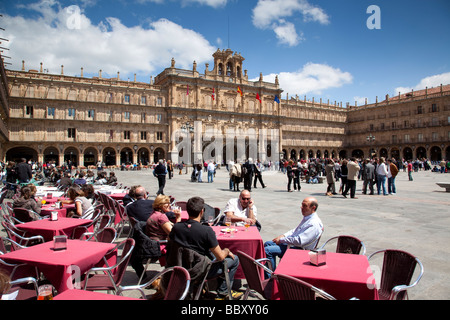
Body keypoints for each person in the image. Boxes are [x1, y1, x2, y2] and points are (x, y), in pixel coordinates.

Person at [168, 196, 242, 300]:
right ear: (202, 211)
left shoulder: (177, 228)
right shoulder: (206, 231)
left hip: (180, 266)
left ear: (187, 211)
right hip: (200, 270)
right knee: (235, 259)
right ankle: (222, 292)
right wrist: (227, 250)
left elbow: (169, 241)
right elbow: (220, 257)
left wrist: (178, 220)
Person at [263, 197, 323, 277]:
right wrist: (283, 235)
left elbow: (300, 241)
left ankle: (270, 277)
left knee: (267, 251)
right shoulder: (308, 218)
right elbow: (296, 230)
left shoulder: (314, 223)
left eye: (305, 206)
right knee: (268, 243)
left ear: (313, 208)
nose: (301, 208)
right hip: (293, 245)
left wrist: (281, 240)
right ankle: (271, 271)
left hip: (300, 250)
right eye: (302, 205)